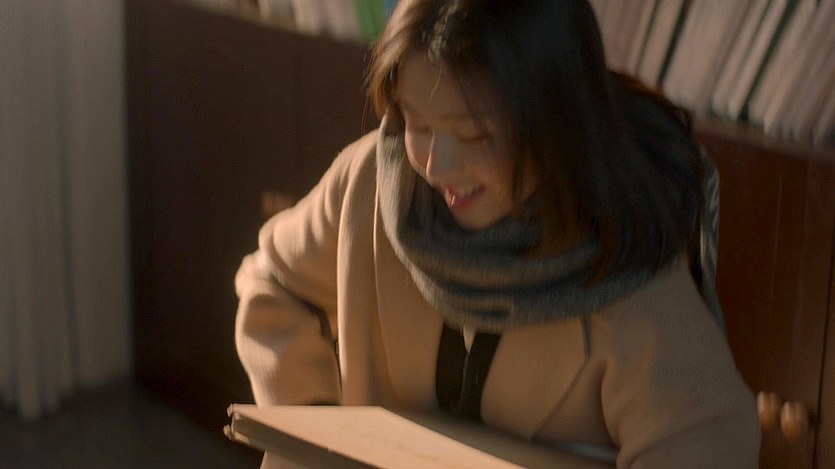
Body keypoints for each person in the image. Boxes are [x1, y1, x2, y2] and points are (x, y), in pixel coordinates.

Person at [234, 0, 761, 466]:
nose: (437, 165)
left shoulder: (630, 268)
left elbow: (708, 442)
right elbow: (273, 283)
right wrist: (315, 434)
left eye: (474, 134)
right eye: (418, 124)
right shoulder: (371, 184)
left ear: (554, 123)